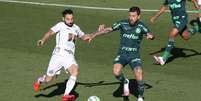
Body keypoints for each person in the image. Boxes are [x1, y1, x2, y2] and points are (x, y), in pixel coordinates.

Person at [90, 6, 154, 101]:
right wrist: (93, 34)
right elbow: (109, 29)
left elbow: (151, 34)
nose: (131, 18)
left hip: (134, 56)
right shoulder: (123, 23)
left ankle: (140, 97)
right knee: (116, 73)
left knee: (139, 75)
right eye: (130, 15)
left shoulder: (141, 26)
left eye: (133, 16)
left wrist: (150, 36)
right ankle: (125, 81)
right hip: (122, 54)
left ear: (138, 16)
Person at [33, 9, 92, 101]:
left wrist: (93, 35)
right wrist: (43, 40)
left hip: (69, 56)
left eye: (72, 19)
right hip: (58, 55)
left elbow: (84, 37)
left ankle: (65, 95)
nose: (70, 21)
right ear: (63, 18)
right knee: (49, 79)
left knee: (75, 71)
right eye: (68, 19)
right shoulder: (60, 25)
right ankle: (40, 80)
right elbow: (50, 33)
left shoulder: (76, 28)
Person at [150, 0, 200, 65]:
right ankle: (198, 27)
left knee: (172, 34)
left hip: (182, 19)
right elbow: (163, 7)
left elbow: (193, 0)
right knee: (186, 36)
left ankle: (163, 59)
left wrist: (199, 12)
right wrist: (155, 17)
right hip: (175, 20)